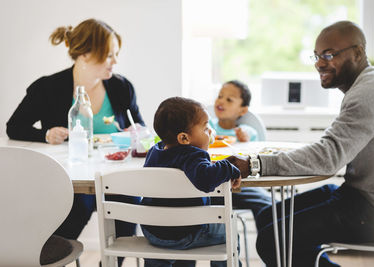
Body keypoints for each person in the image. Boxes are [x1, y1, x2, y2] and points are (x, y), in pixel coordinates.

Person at [228, 21, 374, 267]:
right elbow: (331, 148)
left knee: (272, 240)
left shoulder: (369, 94)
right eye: (317, 56)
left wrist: (255, 165)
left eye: (329, 55)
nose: (320, 63)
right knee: (269, 218)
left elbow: (328, 157)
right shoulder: (369, 83)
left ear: (358, 53)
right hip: (360, 196)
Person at [6, 18, 145, 266]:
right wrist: (46, 135)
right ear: (85, 53)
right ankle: (44, 259)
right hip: (69, 179)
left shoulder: (122, 87)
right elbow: (13, 127)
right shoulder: (47, 87)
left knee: (130, 201)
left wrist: (135, 133)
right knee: (78, 205)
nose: (115, 61)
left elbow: (139, 127)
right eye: (109, 55)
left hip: (114, 178)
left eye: (116, 55)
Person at [141, 96, 242, 267]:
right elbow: (205, 180)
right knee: (230, 231)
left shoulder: (155, 151)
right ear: (184, 139)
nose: (210, 132)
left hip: (153, 232)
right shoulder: (193, 156)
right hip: (187, 233)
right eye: (205, 128)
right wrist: (229, 166)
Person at [210, 80, 271, 223]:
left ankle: (269, 240)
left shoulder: (248, 132)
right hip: (211, 185)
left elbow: (257, 156)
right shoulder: (206, 126)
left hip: (241, 185)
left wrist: (246, 142)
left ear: (242, 110)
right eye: (220, 96)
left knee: (267, 203)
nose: (221, 101)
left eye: (229, 99)